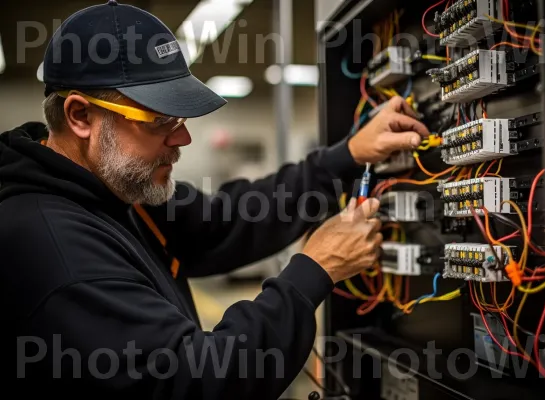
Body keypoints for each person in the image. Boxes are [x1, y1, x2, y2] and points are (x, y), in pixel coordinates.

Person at [1, 1, 429, 399]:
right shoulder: (53, 248)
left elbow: (224, 221)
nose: (183, 137)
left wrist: (345, 157)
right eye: (161, 120)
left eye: (181, 119)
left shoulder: (112, 189)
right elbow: (196, 379)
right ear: (80, 116)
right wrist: (314, 272)